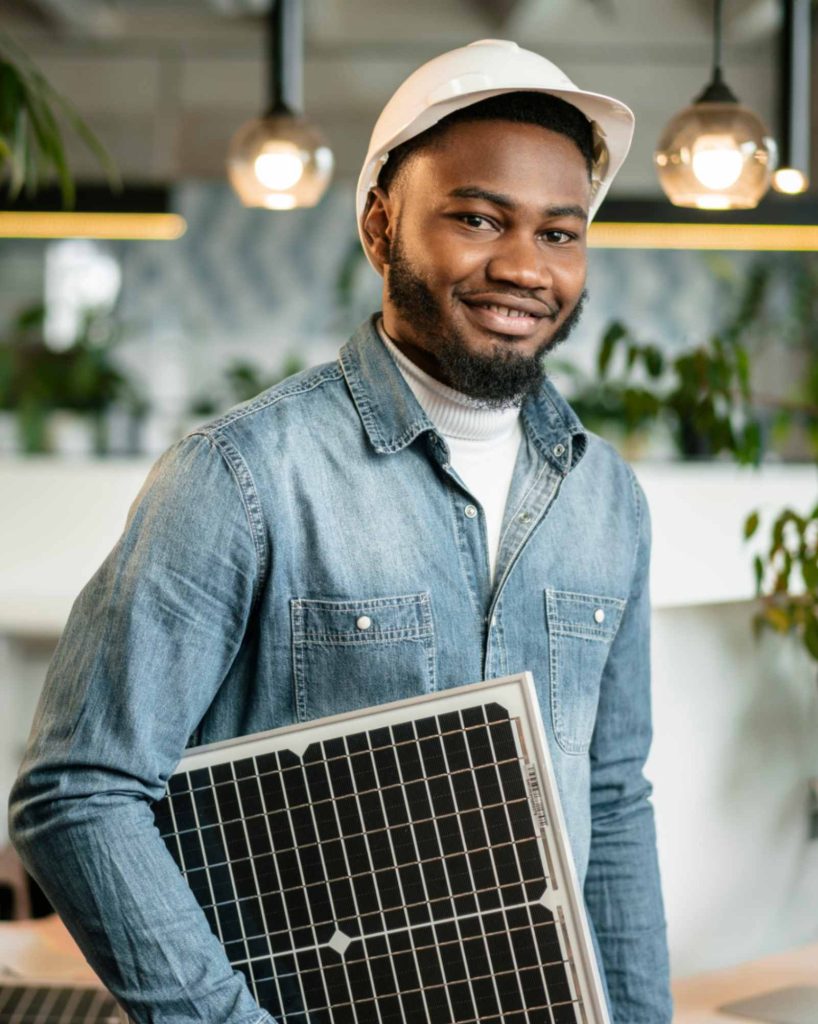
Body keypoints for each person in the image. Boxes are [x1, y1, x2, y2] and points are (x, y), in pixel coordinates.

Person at [9, 39, 672, 1024]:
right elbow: (78, 792)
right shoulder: (240, 475)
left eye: (558, 233)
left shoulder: (604, 497)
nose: (522, 267)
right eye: (476, 217)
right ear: (378, 226)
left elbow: (611, 803)